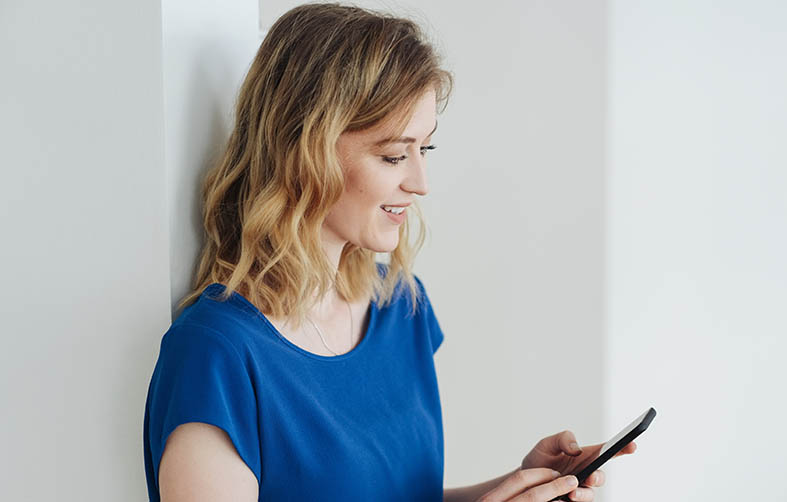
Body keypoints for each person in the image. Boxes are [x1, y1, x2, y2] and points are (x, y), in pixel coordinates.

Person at [142, 3, 636, 501]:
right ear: (303, 149)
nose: (420, 183)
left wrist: (517, 490)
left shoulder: (401, 306)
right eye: (394, 155)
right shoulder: (215, 356)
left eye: (427, 150)